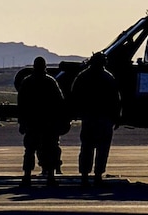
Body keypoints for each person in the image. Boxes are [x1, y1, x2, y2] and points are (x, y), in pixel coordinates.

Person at [71, 53, 121, 187]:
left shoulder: (83, 76)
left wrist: (77, 113)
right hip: (104, 119)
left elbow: (74, 95)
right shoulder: (108, 78)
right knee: (102, 149)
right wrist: (116, 117)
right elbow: (116, 100)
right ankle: (98, 175)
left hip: (90, 118)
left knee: (87, 148)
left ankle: (85, 175)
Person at [16, 56, 66, 187]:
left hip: (32, 122)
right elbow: (59, 102)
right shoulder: (50, 82)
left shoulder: (27, 82)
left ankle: (27, 176)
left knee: (30, 150)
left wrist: (22, 122)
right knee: (50, 149)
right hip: (48, 123)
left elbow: (21, 104)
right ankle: (50, 176)